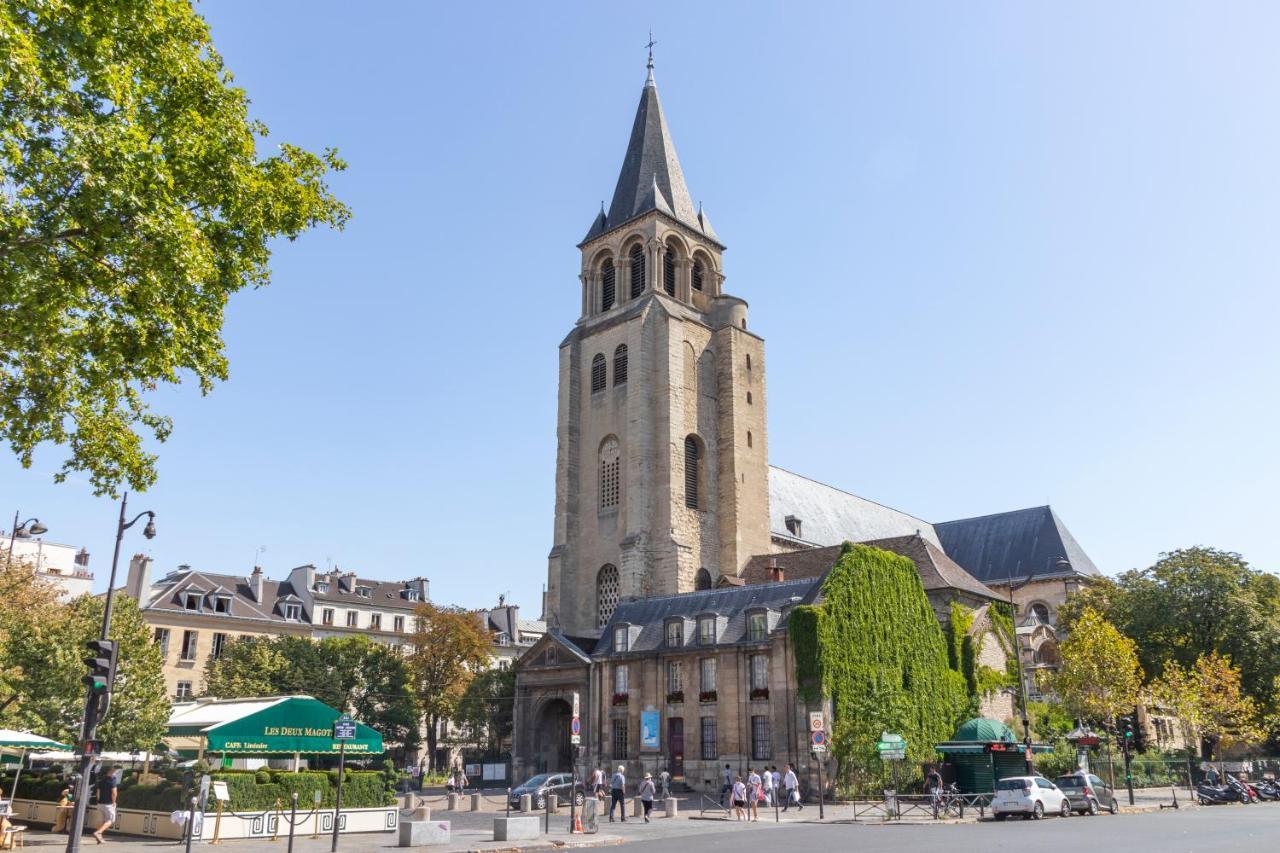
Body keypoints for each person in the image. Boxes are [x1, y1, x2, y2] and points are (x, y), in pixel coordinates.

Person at [93, 764, 118, 843]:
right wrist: (114, 802)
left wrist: (98, 801)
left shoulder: (101, 780)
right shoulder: (112, 780)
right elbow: (114, 792)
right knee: (110, 820)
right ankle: (98, 832)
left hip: (100, 803)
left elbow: (98, 792)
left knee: (100, 820)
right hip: (108, 804)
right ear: (110, 771)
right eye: (114, 771)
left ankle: (99, 837)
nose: (115, 772)